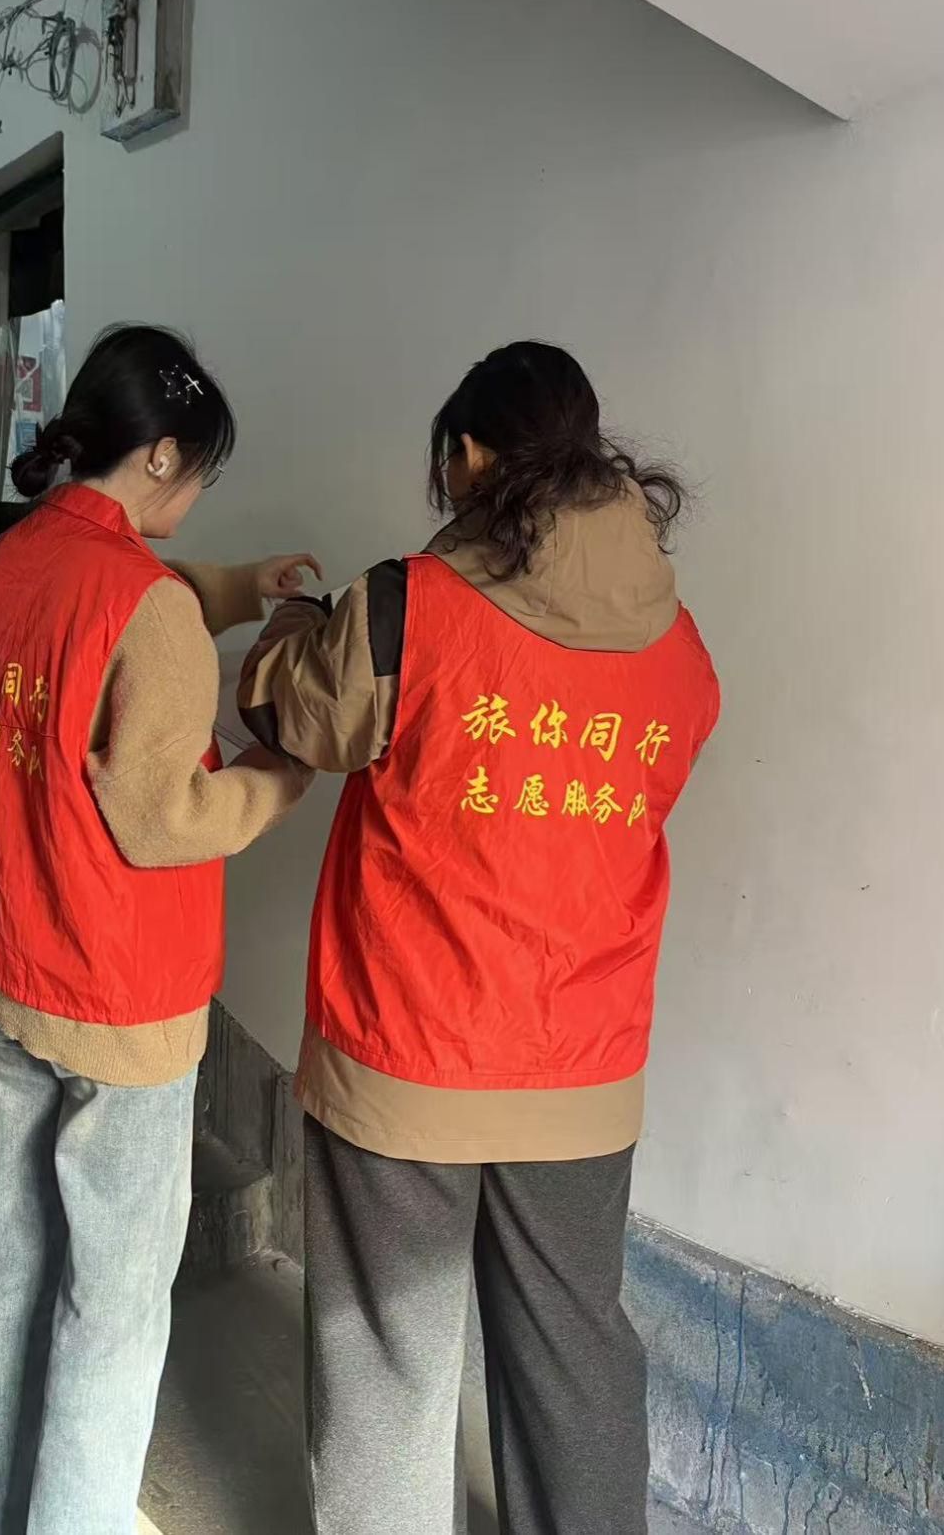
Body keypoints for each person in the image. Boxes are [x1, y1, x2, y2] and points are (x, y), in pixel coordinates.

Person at [240, 340, 720, 1535]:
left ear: (468, 453)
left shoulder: (408, 606)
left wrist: (293, 621)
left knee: (387, 1357)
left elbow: (297, 713)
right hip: (582, 1063)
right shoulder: (679, 645)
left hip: (408, 1050)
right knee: (574, 1353)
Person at [0, 323, 318, 1535]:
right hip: (120, 994)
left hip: (13, 964)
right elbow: (164, 818)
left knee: (16, 1250)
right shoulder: (149, 609)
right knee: (112, 1300)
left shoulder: (12, 560)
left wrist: (243, 582)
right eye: (201, 468)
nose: (201, 490)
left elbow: (122, 607)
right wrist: (279, 776)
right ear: (162, 454)